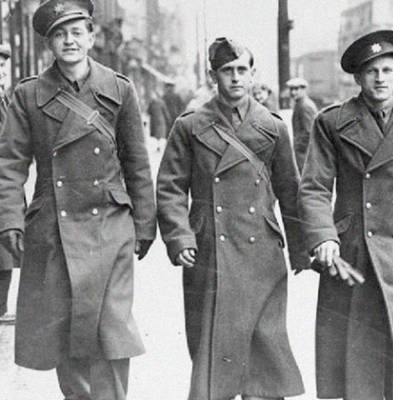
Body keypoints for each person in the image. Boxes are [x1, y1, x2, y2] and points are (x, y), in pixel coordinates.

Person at [0, 1, 156, 399]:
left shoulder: (119, 88)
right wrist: (11, 220)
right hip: (55, 226)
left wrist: (144, 224)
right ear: (49, 43)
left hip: (110, 224)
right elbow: (10, 166)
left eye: (76, 32)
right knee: (68, 329)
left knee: (111, 329)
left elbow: (137, 163)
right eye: (59, 34)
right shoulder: (28, 95)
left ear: (91, 37)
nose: (69, 41)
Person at [157, 37, 308, 400]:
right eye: (227, 70)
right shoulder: (190, 126)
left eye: (242, 69)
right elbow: (170, 188)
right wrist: (180, 237)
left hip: (262, 254)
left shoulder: (272, 126)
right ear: (213, 76)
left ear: (253, 74)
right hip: (210, 251)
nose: (236, 78)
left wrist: (301, 249)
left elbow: (290, 189)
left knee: (265, 353)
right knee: (214, 357)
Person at [298, 30, 393, 400]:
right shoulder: (332, 122)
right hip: (355, 246)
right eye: (371, 71)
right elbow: (314, 187)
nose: (380, 78)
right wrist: (324, 236)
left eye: (387, 70)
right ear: (358, 78)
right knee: (359, 347)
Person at [0, 43, 17, 325]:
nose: (1, 71)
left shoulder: (4, 97)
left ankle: (1, 307)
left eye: (2, 66)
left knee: (5, 250)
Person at [286, 77, 318, 174]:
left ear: (304, 89)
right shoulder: (300, 104)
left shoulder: (305, 106)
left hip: (305, 153)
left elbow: (309, 132)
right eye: (291, 89)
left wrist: (299, 147)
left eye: (296, 89)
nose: (293, 92)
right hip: (302, 152)